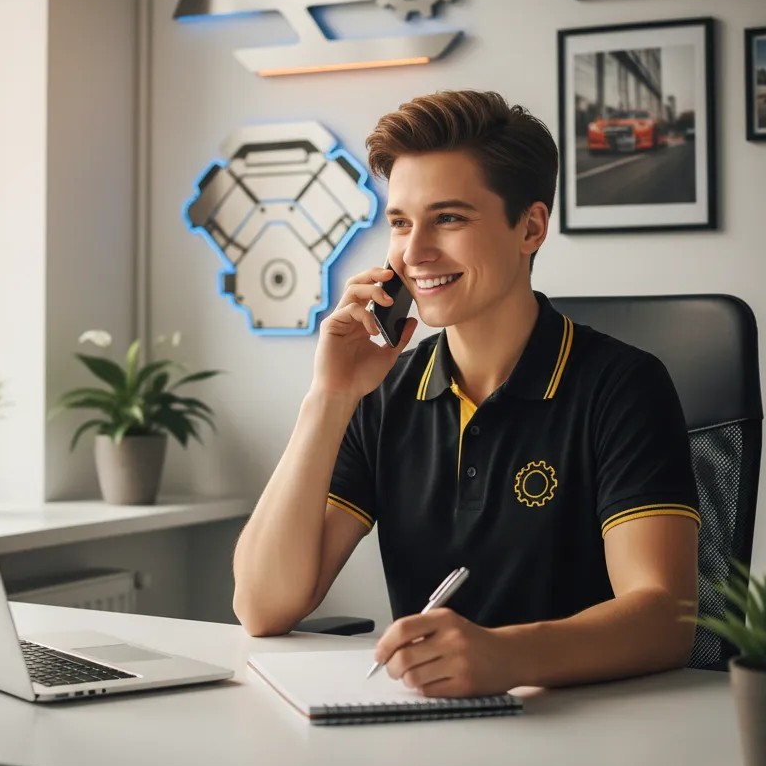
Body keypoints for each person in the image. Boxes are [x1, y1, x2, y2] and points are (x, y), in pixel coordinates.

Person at [232, 90, 700, 698]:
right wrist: (330, 394)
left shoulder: (624, 386)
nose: (414, 252)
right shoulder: (384, 390)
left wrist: (505, 657)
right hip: (428, 736)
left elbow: (665, 617)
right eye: (400, 222)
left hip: (591, 733)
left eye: (448, 218)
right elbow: (262, 608)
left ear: (530, 227)